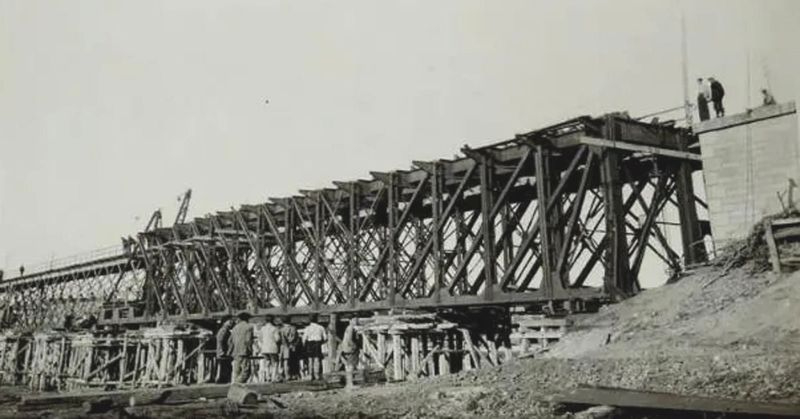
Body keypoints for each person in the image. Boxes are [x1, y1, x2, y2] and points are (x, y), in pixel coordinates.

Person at [229, 312, 254, 384]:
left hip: (235, 352)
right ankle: (238, 384)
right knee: (246, 371)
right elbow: (248, 340)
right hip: (244, 351)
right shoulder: (249, 327)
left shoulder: (234, 328)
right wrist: (250, 350)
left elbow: (230, 341)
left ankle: (234, 385)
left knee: (236, 371)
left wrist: (231, 350)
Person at [302, 314, 328, 380]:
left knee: (310, 360)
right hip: (317, 343)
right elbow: (325, 338)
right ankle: (317, 374)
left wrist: (304, 346)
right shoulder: (321, 327)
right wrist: (321, 342)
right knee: (317, 359)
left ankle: (310, 375)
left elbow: (304, 339)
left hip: (309, 343)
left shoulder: (307, 328)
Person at [339, 318, 360, 389]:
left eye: (356, 320)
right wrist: (355, 346)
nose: (356, 321)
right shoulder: (351, 328)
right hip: (350, 349)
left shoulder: (348, 328)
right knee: (350, 366)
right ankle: (350, 384)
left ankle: (349, 383)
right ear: (350, 321)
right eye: (354, 320)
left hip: (346, 348)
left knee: (348, 367)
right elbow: (350, 339)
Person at [259, 315, 281, 382]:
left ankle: (268, 376)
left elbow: (260, 339)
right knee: (275, 363)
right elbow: (277, 339)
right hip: (273, 347)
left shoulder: (262, 329)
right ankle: (274, 377)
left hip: (264, 348)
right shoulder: (274, 328)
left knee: (267, 362)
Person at [278, 316, 300, 380]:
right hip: (292, 346)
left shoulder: (281, 329)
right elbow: (297, 338)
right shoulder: (293, 328)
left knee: (284, 361)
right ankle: (292, 374)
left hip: (283, 346)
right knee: (293, 361)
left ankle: (285, 374)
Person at [215, 317, 234, 383]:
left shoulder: (226, 330)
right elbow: (220, 340)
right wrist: (222, 351)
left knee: (226, 369)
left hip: (225, 353)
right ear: (224, 322)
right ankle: (222, 382)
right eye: (229, 321)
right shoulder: (224, 330)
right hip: (223, 354)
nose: (231, 322)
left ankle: (223, 381)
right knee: (225, 369)